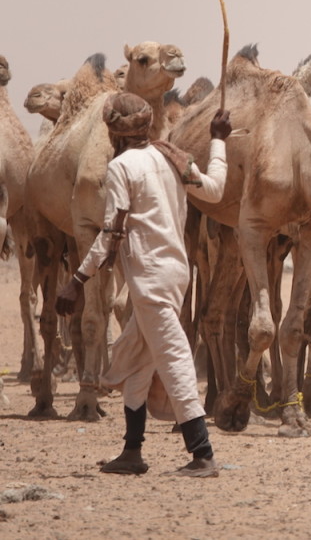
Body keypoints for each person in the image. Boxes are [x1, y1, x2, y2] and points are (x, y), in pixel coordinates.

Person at [57, 92, 231, 478]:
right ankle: (132, 451)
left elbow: (110, 232)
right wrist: (218, 140)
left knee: (174, 360)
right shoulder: (172, 158)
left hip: (150, 279)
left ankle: (203, 454)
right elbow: (215, 190)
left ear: (112, 132)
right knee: (138, 356)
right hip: (174, 275)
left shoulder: (121, 167)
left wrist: (77, 280)